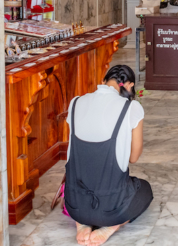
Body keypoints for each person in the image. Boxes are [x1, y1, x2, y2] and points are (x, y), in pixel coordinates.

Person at [65, 65, 153, 246]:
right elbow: (133, 158)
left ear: (103, 82)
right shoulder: (131, 107)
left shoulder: (75, 103)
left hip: (74, 203)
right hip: (113, 208)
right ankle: (111, 226)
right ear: (128, 86)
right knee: (144, 189)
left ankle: (82, 223)